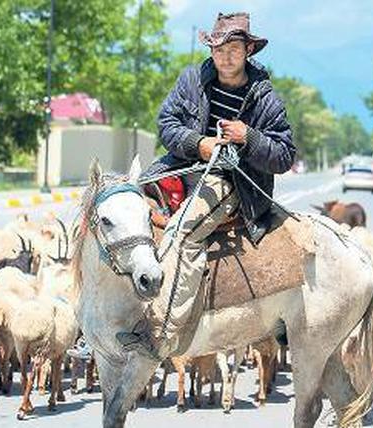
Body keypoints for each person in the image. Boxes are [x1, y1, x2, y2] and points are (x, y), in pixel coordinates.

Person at [119, 12, 296, 359]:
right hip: (181, 166)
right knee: (123, 209)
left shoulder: (265, 98)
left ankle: (163, 334)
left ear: (247, 50)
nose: (224, 55)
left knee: (184, 233)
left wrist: (250, 138)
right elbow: (166, 124)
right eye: (218, 48)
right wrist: (198, 143)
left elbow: (285, 156)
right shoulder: (192, 80)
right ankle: (108, 316)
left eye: (232, 47)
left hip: (231, 181)